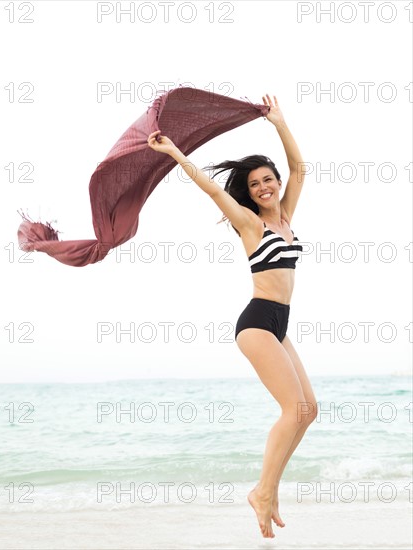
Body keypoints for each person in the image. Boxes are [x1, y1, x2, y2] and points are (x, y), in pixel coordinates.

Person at [147, 94, 318, 539]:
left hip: (280, 326)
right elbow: (212, 188)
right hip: (258, 322)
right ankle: (262, 491)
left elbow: (300, 169)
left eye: (268, 180)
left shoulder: (285, 216)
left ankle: (270, 489)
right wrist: (176, 153)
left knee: (309, 409)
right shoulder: (250, 224)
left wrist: (280, 124)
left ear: (276, 182)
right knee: (291, 410)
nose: (263, 188)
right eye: (256, 184)